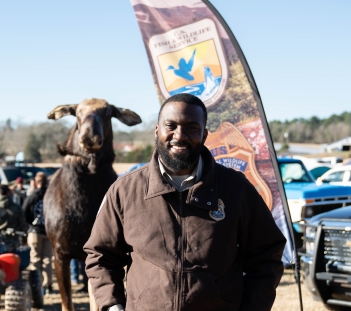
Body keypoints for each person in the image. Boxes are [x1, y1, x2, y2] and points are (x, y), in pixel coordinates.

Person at [84, 93, 286, 311]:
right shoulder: (125, 190)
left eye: (191, 127)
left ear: (204, 134)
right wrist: (113, 306)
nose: (179, 136)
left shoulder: (235, 188)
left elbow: (267, 255)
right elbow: (100, 256)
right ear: (157, 131)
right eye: (171, 125)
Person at [22, 172, 54, 295]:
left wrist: (29, 225)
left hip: (34, 231)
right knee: (47, 260)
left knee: (35, 259)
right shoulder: (51, 195)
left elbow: (24, 211)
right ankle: (48, 285)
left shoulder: (32, 196)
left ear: (36, 182)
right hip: (48, 231)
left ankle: (37, 286)